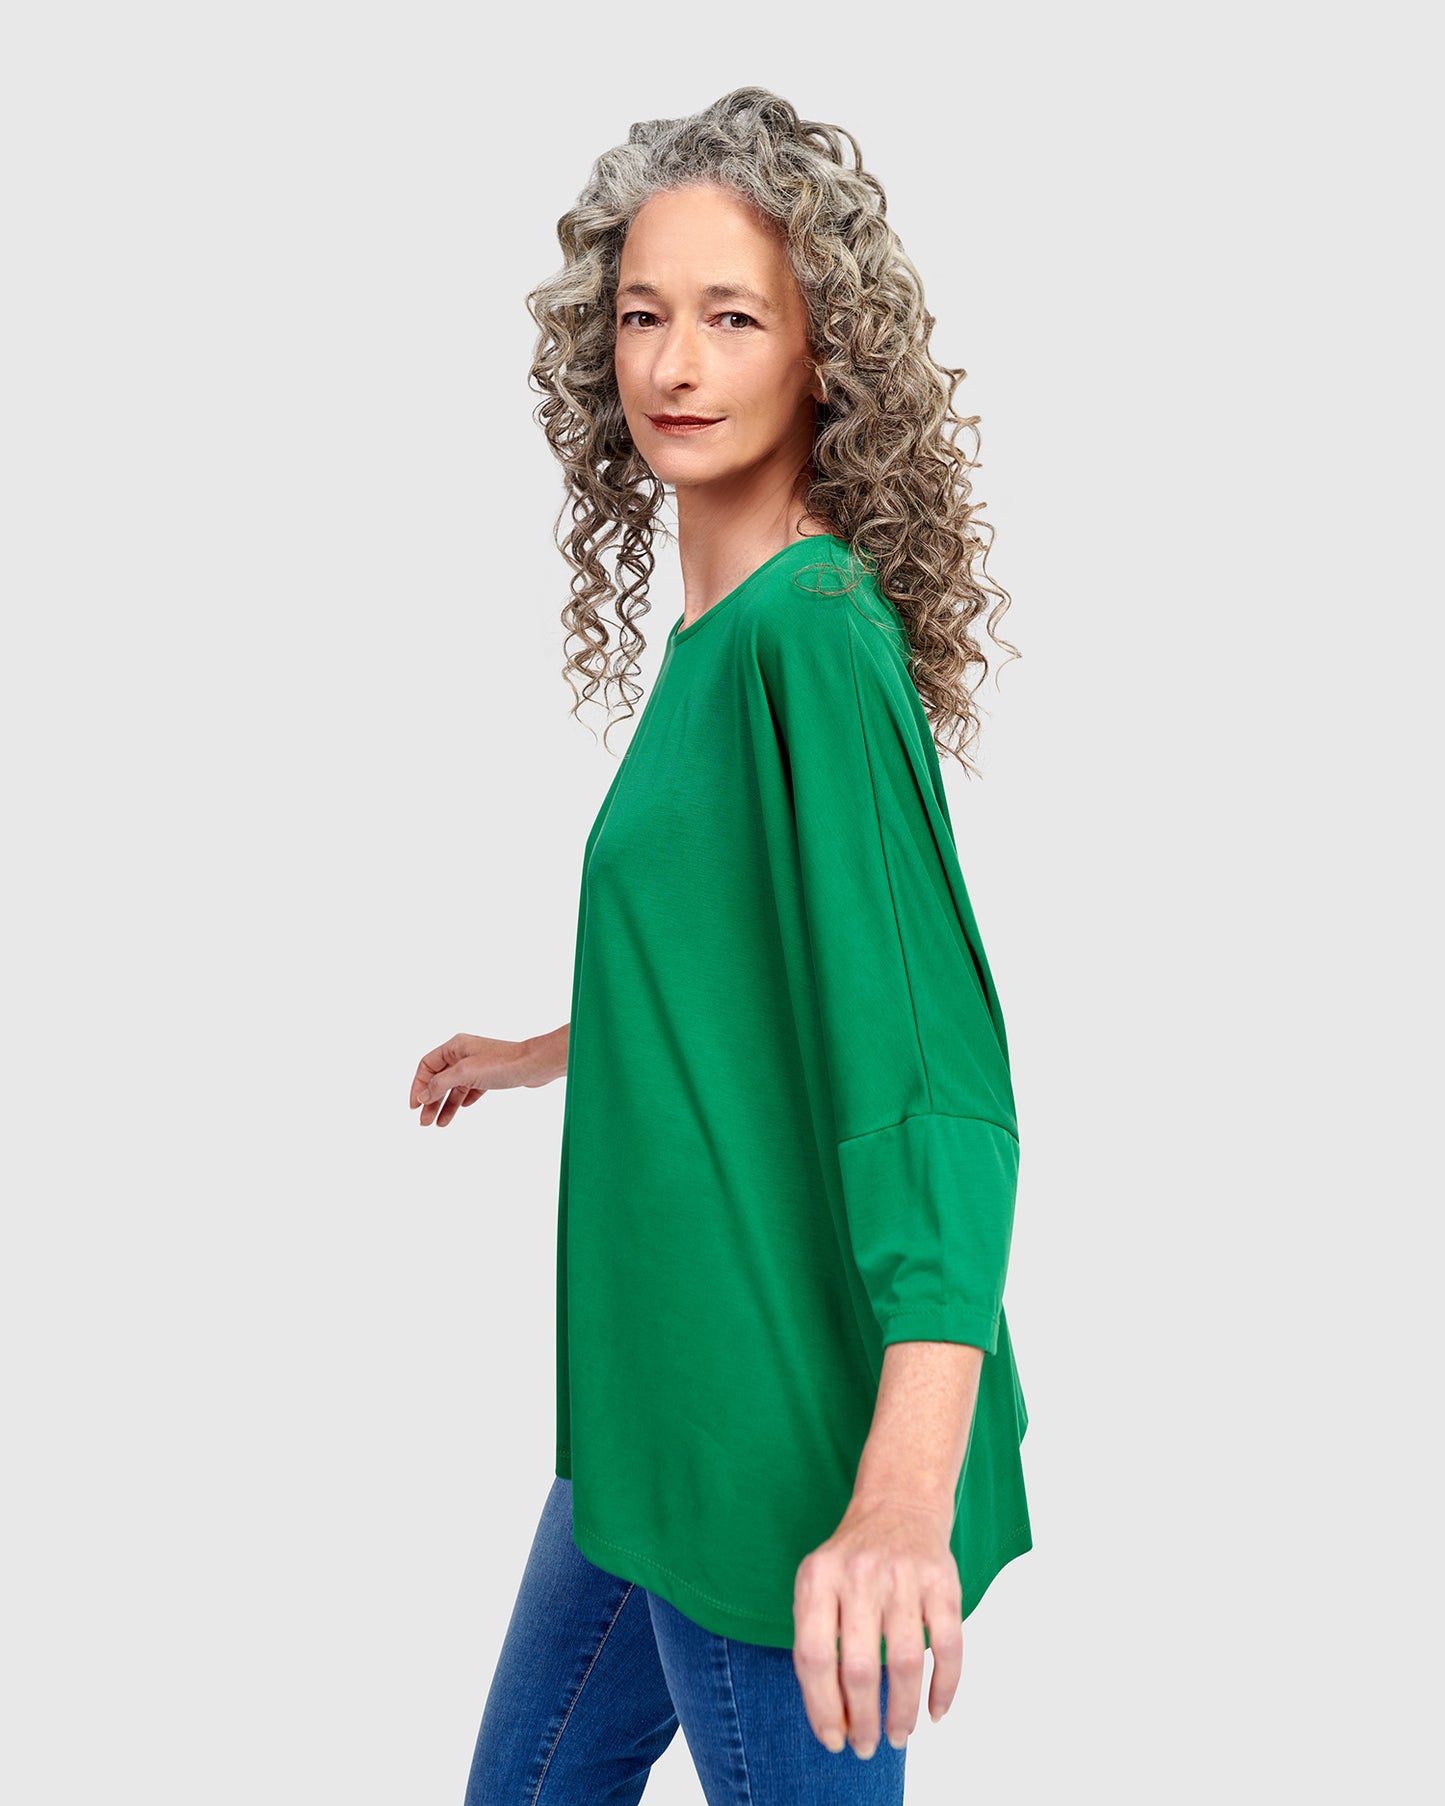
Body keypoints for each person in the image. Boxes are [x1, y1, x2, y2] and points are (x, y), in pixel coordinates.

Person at [410, 86, 1031, 1805]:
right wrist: (542, 1051)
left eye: (733, 317)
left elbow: (935, 1083)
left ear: (826, 354)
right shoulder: (716, 636)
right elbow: (728, 972)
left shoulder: (807, 638)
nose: (674, 364)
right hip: (649, 1407)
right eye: (640, 315)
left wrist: (898, 1491)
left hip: (772, 1446)